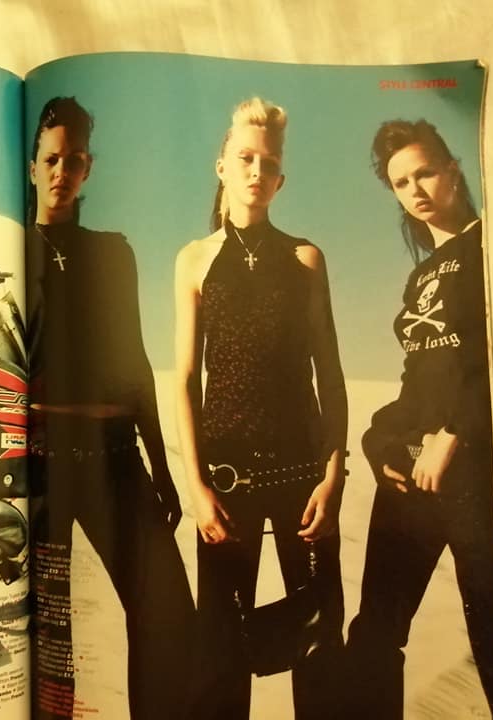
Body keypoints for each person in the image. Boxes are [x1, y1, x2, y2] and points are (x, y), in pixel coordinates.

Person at [173, 97, 348, 718]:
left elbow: (330, 375)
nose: (255, 170)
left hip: (304, 479)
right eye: (245, 158)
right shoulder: (194, 259)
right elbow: (185, 378)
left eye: (267, 163)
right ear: (222, 166)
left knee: (320, 645)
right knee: (220, 654)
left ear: (280, 180)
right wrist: (196, 487)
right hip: (227, 482)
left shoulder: (305, 258)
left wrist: (333, 477)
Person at [25, 96, 198, 720]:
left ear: (87, 168)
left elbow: (134, 359)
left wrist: (161, 466)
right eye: (51, 159)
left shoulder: (112, 251)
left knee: (167, 613)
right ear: (33, 165)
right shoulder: (8, 249)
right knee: (49, 633)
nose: (61, 172)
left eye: (73, 160)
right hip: (39, 461)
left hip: (116, 457)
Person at [344, 119, 493, 719]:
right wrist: (378, 442)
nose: (415, 190)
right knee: (375, 632)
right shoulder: (421, 275)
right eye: (401, 182)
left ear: (454, 170)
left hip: (477, 475)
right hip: (411, 476)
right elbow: (419, 381)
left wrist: (455, 434)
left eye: (425, 173)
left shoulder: (492, 246)